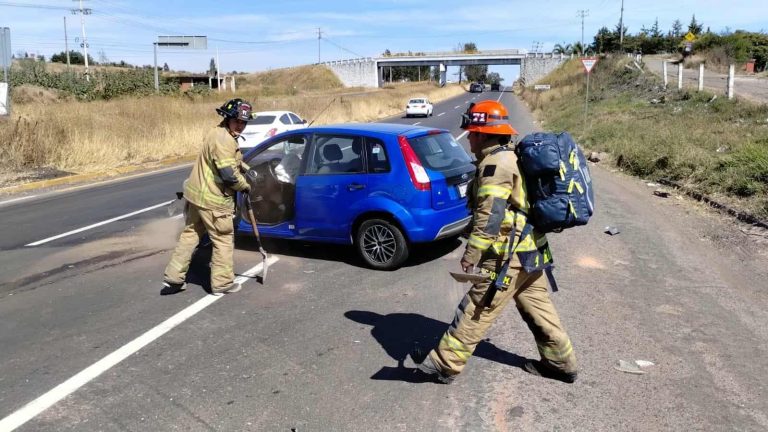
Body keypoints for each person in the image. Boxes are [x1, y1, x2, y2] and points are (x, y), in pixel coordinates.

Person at [415, 100, 578, 384]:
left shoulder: (495, 164)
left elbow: (490, 214)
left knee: (477, 307)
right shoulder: (511, 156)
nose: (469, 139)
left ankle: (444, 365)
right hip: (531, 251)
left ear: (482, 134)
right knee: (538, 309)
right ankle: (560, 363)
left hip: (506, 257)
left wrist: (472, 253)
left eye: (472, 133)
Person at [162, 98, 252, 295]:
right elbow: (228, 174)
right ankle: (222, 284)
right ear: (228, 118)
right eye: (237, 121)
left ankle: (174, 278)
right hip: (214, 201)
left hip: (197, 198)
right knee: (223, 240)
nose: (241, 126)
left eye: (244, 122)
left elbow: (221, 162)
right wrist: (244, 185)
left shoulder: (216, 132)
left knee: (190, 235)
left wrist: (244, 167)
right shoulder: (225, 140)